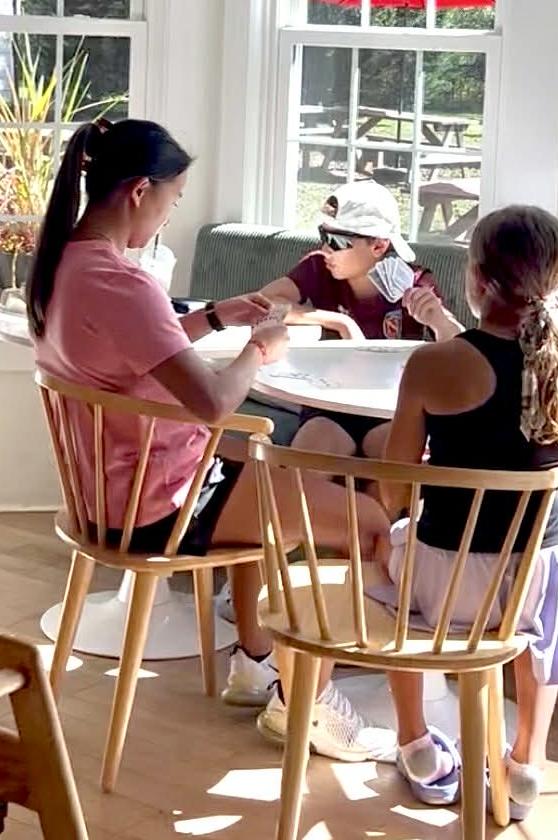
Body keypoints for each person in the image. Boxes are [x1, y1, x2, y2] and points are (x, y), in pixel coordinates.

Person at [28, 117, 394, 759]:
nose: (169, 215)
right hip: (154, 506)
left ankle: (256, 664)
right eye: (172, 199)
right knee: (366, 524)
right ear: (140, 191)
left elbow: (141, 351)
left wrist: (216, 317)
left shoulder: (66, 262)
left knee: (272, 476)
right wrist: (260, 347)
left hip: (108, 491)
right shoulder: (122, 281)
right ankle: (303, 702)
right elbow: (216, 402)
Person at [371, 206, 558, 819]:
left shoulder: (432, 365)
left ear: (475, 279)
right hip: (530, 580)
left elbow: (394, 493)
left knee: (384, 540)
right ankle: (526, 765)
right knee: (546, 595)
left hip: (448, 584)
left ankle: (416, 742)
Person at [262, 179, 463, 461]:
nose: (326, 249)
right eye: (323, 235)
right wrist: (339, 322)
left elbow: (462, 351)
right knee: (305, 460)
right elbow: (263, 303)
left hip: (391, 408)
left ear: (379, 246)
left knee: (396, 469)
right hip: (329, 404)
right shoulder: (317, 267)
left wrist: (439, 321)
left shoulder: (414, 284)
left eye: (338, 241)